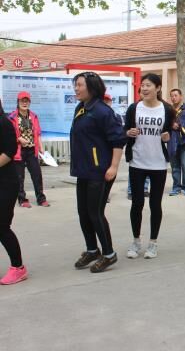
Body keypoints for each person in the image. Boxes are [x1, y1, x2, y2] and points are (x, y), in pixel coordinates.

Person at [70, 72, 127, 273]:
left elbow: (118, 140)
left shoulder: (103, 111)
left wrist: (113, 166)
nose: (76, 88)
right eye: (75, 85)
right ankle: (92, 250)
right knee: (83, 212)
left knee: (95, 213)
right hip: (83, 169)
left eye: (79, 85)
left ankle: (109, 254)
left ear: (91, 87)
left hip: (100, 170)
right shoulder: (81, 107)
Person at [124, 74, 174, 259]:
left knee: (155, 204)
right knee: (137, 203)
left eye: (148, 85)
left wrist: (168, 137)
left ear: (158, 88)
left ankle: (153, 243)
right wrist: (128, 132)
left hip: (158, 163)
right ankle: (136, 241)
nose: (144, 89)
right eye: (142, 85)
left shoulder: (167, 109)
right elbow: (124, 130)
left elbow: (169, 133)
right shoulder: (134, 108)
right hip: (137, 162)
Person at [0, 98, 28, 285]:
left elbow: (9, 152)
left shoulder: (4, 123)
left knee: (2, 226)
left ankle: (18, 268)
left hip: (6, 183)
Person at [8, 91, 49, 208]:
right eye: (22, 101)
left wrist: (41, 148)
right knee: (19, 177)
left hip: (32, 150)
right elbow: (9, 134)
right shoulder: (12, 117)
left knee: (37, 175)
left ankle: (41, 198)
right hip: (19, 151)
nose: (24, 103)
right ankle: (22, 199)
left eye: (26, 101)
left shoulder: (34, 116)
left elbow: (38, 133)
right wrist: (19, 139)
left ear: (29, 102)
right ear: (18, 102)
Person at [168, 88, 185, 196]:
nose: (173, 98)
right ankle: (176, 187)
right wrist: (170, 125)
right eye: (172, 96)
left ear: (181, 96)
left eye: (175, 95)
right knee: (175, 167)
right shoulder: (169, 110)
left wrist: (179, 125)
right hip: (172, 142)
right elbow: (164, 123)